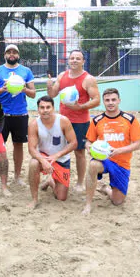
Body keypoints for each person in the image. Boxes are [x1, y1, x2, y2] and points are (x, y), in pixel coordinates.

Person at [82, 88, 140, 215]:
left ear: (119, 101)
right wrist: (88, 147)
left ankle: (106, 189)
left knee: (117, 201)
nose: (110, 103)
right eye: (107, 100)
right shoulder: (97, 120)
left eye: (113, 100)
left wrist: (118, 151)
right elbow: (88, 141)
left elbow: (138, 145)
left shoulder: (130, 119)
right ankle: (88, 204)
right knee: (93, 165)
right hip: (104, 159)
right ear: (103, 102)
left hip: (122, 163)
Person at [46, 49, 100, 192]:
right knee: (57, 150)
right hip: (62, 120)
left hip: (80, 121)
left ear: (83, 61)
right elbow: (52, 94)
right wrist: (49, 86)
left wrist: (80, 107)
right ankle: (54, 178)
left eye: (78, 58)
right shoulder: (62, 75)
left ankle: (80, 182)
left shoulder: (88, 79)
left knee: (79, 152)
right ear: (68, 61)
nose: (74, 60)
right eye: (72, 58)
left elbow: (97, 100)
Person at [0, 44, 36, 185]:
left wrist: (23, 89)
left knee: (18, 145)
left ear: (18, 55)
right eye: (9, 52)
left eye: (14, 52)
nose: (12, 54)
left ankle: (17, 177)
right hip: (1, 114)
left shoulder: (26, 71)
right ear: (5, 55)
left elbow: (33, 94)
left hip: (20, 114)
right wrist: (1, 89)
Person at [27, 96, 77, 209]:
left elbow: (74, 143)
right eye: (42, 107)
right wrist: (43, 160)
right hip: (44, 156)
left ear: (53, 108)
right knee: (33, 163)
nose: (45, 110)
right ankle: (34, 199)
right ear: (38, 109)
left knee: (61, 197)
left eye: (48, 107)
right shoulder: (34, 124)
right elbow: (31, 149)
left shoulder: (63, 121)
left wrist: (57, 155)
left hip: (61, 159)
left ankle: (50, 181)